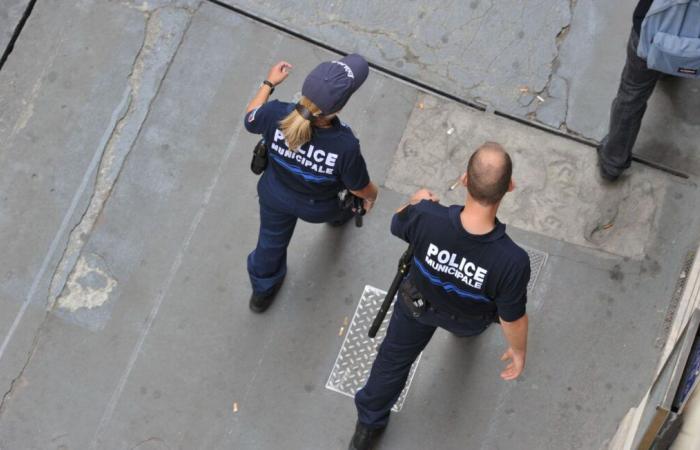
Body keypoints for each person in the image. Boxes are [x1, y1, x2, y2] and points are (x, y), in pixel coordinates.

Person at [348, 142, 531, 450]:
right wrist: (518, 351)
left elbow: (397, 224)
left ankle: (368, 425)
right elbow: (512, 317)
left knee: (392, 361)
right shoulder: (512, 261)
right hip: (467, 318)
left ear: (464, 179)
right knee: (467, 330)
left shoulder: (425, 217)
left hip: (415, 305)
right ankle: (464, 336)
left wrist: (415, 201)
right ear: (509, 188)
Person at [243, 55, 378, 313]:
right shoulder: (345, 146)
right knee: (343, 210)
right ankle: (339, 220)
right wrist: (372, 195)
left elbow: (251, 117)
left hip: (275, 195)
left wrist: (269, 83)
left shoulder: (275, 114)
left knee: (269, 243)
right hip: (319, 207)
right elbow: (358, 187)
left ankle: (262, 291)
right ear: (337, 109)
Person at [597, 0, 656, 181]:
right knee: (681, 59)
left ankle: (612, 162)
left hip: (653, 30)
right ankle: (673, 68)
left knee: (633, 91)